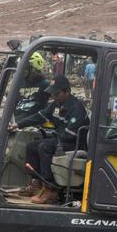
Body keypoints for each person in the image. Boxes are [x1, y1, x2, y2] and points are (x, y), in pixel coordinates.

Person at [24, 75, 89, 205]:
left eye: (57, 93)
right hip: (62, 139)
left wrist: (52, 137)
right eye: (52, 94)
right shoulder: (57, 104)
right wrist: (18, 124)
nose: (54, 96)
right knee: (31, 146)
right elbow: (41, 116)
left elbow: (70, 134)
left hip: (74, 143)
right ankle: (36, 182)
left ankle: (50, 189)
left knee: (44, 147)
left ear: (67, 91)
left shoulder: (77, 108)